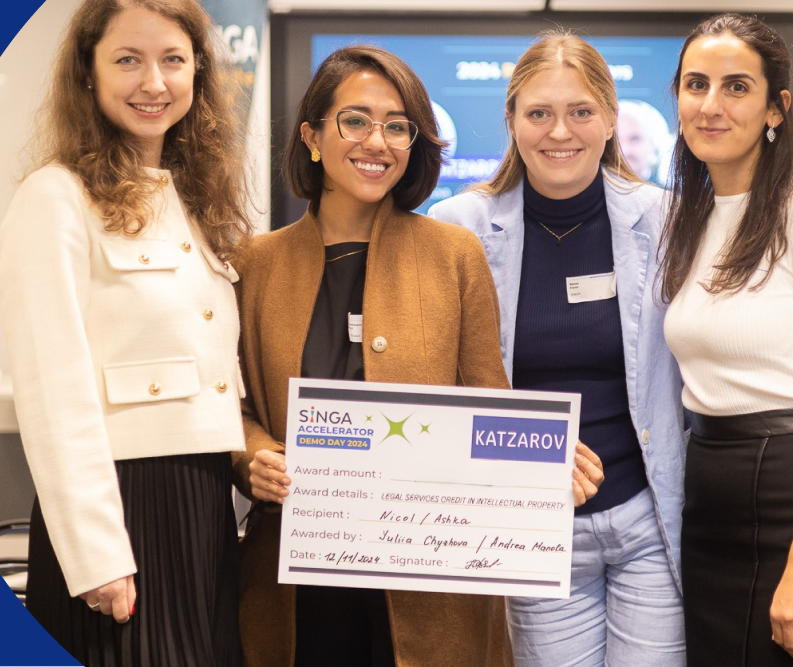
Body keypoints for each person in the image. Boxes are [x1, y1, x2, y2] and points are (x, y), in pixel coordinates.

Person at [232, 44, 604, 667]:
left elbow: (490, 402)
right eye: (355, 120)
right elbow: (232, 407)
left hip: (434, 580)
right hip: (298, 580)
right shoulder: (254, 264)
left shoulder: (453, 254)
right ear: (312, 136)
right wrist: (254, 457)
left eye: (397, 126)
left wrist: (542, 462)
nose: (376, 141)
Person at [0, 0, 252, 666]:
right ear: (87, 70)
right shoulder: (54, 198)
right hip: (122, 508)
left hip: (200, 504)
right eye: (127, 59)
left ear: (198, 67)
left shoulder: (194, 197)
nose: (155, 81)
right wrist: (96, 553)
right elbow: (55, 395)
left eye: (173, 59)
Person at [429, 30, 688, 667]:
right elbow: (438, 386)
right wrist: (530, 447)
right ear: (512, 122)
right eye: (538, 112)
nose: (559, 131)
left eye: (580, 112)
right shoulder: (456, 229)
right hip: (533, 529)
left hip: (648, 521)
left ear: (609, 121)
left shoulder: (669, 220)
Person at [660, 12, 793, 667]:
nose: (711, 105)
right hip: (706, 489)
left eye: (736, 87)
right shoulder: (684, 216)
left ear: (776, 108)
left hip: (782, 494)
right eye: (695, 84)